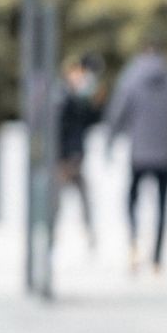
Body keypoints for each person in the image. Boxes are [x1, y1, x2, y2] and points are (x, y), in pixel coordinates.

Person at [105, 36, 167, 273]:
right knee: (163, 205)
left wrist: (111, 140)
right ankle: (157, 258)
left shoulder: (130, 79)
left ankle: (134, 243)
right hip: (165, 152)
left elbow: (118, 112)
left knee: (131, 200)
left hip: (139, 151)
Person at [53, 55, 102, 250]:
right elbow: (60, 128)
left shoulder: (77, 97)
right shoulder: (63, 96)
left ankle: (88, 234)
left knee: (80, 196)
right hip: (66, 157)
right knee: (58, 200)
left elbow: (87, 122)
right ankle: (51, 234)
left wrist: (95, 105)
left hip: (74, 155)